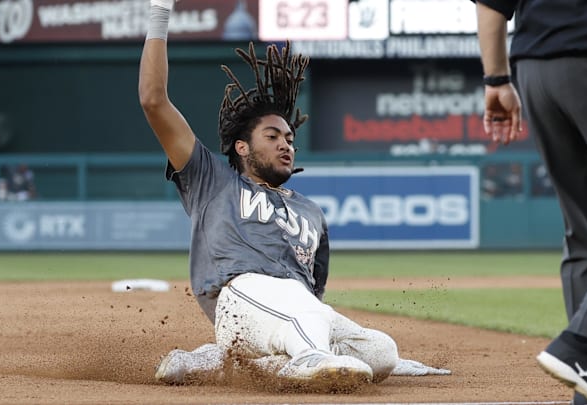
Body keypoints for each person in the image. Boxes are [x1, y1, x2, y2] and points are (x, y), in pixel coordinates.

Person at [139, 0, 449, 391]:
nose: (286, 144)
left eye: (289, 138)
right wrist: (160, 13)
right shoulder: (212, 179)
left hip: (289, 311)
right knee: (304, 317)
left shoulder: (310, 212)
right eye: (272, 137)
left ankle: (220, 361)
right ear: (241, 147)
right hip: (238, 299)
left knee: (382, 351)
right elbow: (153, 100)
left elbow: (313, 295)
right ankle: (304, 357)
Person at [474, 1, 587, 404]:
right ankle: (585, 348)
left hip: (536, 70)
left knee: (584, 230)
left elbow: (490, 3)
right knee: (586, 228)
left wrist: (496, 79)